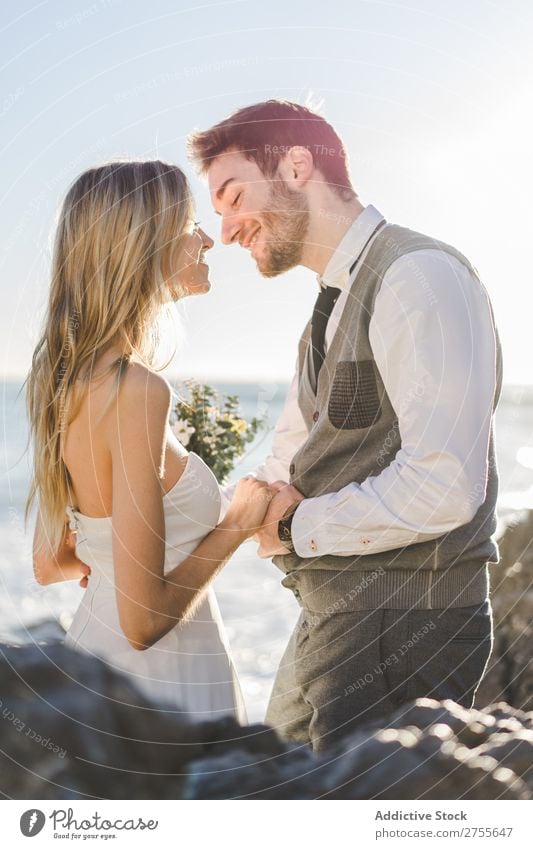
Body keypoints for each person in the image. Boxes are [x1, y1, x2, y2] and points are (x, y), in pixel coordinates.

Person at [189, 100, 503, 752]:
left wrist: (295, 527)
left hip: (406, 624)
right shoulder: (325, 311)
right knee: (278, 795)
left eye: (233, 195)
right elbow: (290, 459)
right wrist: (153, 538)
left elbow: (443, 485)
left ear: (297, 166)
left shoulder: (418, 275)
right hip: (335, 618)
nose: (224, 230)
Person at [25, 160, 272, 724]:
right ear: (143, 246)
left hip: (98, 666)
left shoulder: (61, 379)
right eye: (188, 224)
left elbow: (49, 561)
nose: (206, 237)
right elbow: (143, 622)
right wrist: (239, 519)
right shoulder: (135, 390)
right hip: (156, 690)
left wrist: (110, 560)